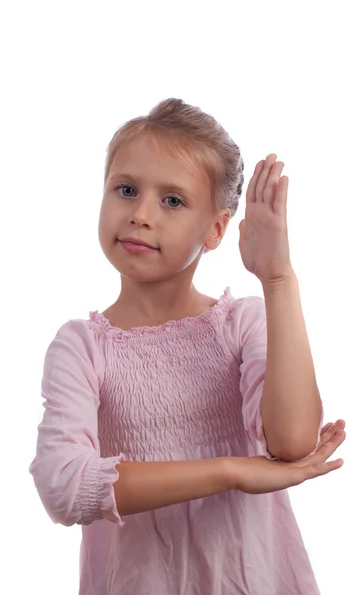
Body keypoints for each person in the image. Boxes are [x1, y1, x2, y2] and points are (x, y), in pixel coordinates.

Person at [29, 98, 346, 595]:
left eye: (172, 201)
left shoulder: (241, 324)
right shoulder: (81, 347)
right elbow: (63, 487)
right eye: (126, 189)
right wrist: (230, 471)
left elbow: (291, 442)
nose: (140, 214)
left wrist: (278, 279)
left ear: (216, 229)